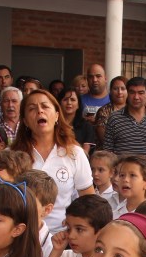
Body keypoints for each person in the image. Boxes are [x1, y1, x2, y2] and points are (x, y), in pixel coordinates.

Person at [13, 89, 95, 232]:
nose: (40, 111)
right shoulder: (13, 155)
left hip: (63, 237)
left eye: (45, 106)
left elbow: (88, 200)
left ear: (57, 115)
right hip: (21, 236)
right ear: (25, 121)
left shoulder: (74, 153)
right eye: (32, 108)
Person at [103, 77, 146, 159]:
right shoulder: (114, 118)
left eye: (140, 93)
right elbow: (108, 150)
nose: (136, 97)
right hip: (122, 170)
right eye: (132, 92)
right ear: (127, 93)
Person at [58, 87, 95, 155]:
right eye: (65, 99)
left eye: (73, 100)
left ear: (78, 105)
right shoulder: (54, 125)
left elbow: (85, 154)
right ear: (59, 103)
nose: (69, 103)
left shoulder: (86, 126)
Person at [94, 77, 127, 146]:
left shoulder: (133, 109)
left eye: (123, 89)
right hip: (108, 152)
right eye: (115, 89)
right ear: (111, 91)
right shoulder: (104, 111)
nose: (119, 92)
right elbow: (103, 139)